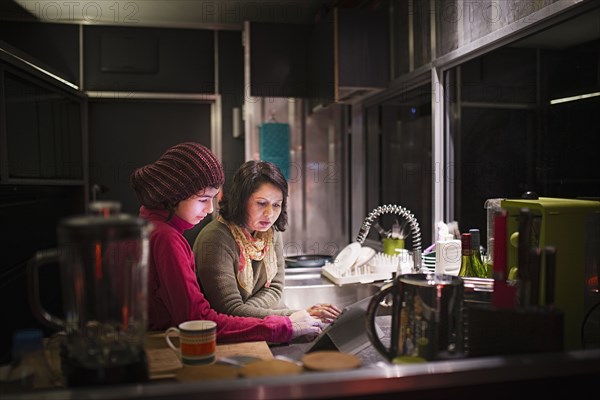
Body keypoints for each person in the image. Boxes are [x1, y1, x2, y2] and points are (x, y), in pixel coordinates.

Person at [130, 142, 322, 343]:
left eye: (276, 205)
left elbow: (274, 288)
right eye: (203, 199)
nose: (210, 209)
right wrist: (282, 324)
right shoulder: (168, 238)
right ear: (175, 195)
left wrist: (283, 319)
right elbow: (199, 321)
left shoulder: (155, 230)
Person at [193, 160, 341, 323]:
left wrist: (249, 309)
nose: (270, 214)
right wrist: (294, 315)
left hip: (264, 320)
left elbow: (275, 288)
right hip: (232, 331)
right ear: (241, 201)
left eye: (277, 205)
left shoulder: (270, 232)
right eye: (261, 203)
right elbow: (229, 310)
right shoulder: (216, 238)